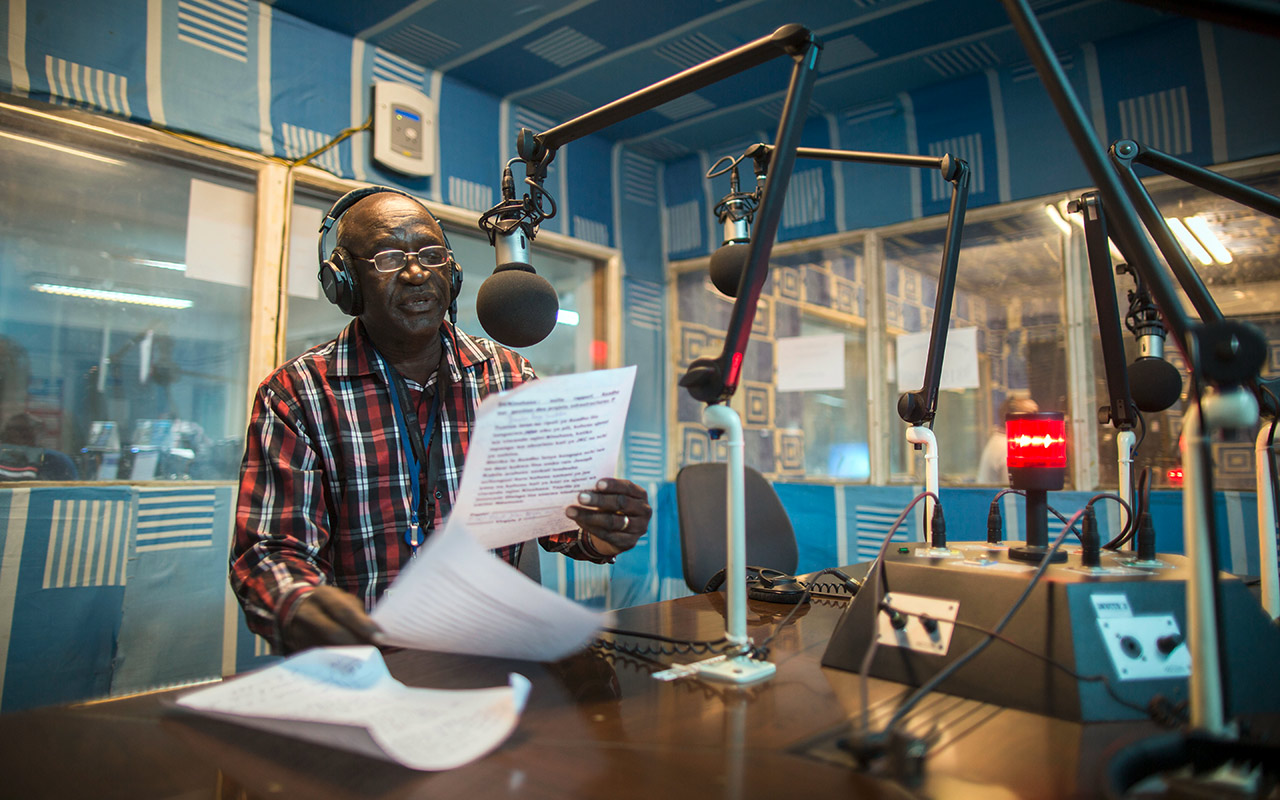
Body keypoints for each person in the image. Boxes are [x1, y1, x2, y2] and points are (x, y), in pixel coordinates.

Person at [230, 188, 651, 653]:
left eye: (432, 255)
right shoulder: (296, 394)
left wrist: (603, 530)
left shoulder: (509, 376)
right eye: (389, 258)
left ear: (452, 273)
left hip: (493, 656)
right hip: (370, 664)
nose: (416, 273)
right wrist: (297, 606)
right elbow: (271, 551)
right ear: (344, 281)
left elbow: (558, 520)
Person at [975, 395, 1040, 484]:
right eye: (1033, 416)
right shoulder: (1008, 448)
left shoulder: (999, 440)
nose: (1037, 423)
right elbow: (1014, 489)